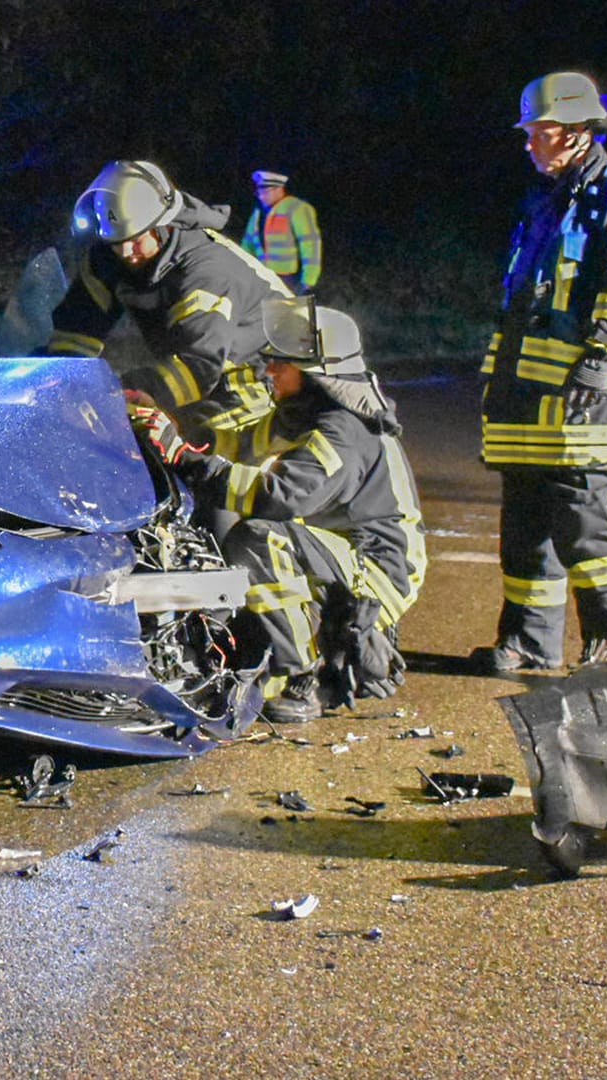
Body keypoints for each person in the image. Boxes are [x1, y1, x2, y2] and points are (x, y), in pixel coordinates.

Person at [475, 71, 607, 673]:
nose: (531, 142)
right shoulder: (543, 199)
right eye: (530, 132)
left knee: (586, 521)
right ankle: (528, 641)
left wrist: (603, 352)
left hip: (585, 394)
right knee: (526, 523)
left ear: (581, 133)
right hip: (526, 393)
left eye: (543, 132)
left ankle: (605, 642)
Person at [197, 299, 428, 722]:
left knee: (257, 537)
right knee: (260, 539)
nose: (270, 372)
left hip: (378, 567)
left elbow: (281, 496)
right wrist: (171, 431)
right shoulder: (312, 411)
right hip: (349, 551)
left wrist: (196, 469)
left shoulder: (342, 429)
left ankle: (302, 676)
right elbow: (241, 444)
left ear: (312, 372)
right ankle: (305, 643)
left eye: (279, 364)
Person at [48, 160, 295, 454]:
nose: (126, 253)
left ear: (162, 226)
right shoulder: (112, 255)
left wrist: (116, 395)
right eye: (117, 242)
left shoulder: (205, 271)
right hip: (205, 379)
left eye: (136, 240)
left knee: (183, 456)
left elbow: (198, 366)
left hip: (255, 386)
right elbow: (76, 329)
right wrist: (55, 382)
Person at [240, 170, 322, 295]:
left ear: (279, 189)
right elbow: (247, 246)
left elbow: (310, 245)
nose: (261, 196)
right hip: (264, 278)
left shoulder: (296, 208)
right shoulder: (258, 214)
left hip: (290, 279)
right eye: (258, 192)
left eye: (265, 192)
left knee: (285, 314)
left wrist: (308, 280)